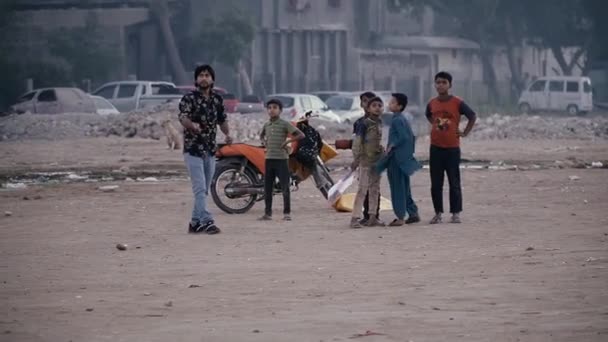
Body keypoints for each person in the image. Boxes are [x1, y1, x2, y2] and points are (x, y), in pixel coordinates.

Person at [179, 64, 233, 234]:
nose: (204, 78)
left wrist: (228, 134)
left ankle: (195, 223)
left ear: (212, 79)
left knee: (205, 188)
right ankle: (207, 221)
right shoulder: (189, 98)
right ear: (196, 79)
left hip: (210, 149)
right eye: (201, 75)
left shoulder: (217, 100)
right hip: (193, 149)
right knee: (200, 188)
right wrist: (192, 126)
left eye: (207, 75)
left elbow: (222, 120)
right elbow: (183, 117)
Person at [425, 71, 477, 224]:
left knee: (454, 182)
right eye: (438, 82)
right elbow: (428, 115)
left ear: (450, 85)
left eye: (444, 82)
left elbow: (472, 116)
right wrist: (436, 125)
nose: (440, 85)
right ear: (435, 85)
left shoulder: (457, 102)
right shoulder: (432, 103)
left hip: (452, 148)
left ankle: (455, 213)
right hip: (435, 147)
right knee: (436, 183)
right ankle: (438, 213)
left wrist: (464, 132)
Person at [258, 99, 305, 221]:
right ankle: (268, 213)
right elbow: (261, 135)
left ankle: (287, 213)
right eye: (269, 108)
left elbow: (301, 135)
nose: (271, 110)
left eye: (274, 107)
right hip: (269, 159)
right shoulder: (267, 125)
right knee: (268, 187)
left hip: (281, 159)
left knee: (285, 187)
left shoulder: (284, 124)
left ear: (280, 110)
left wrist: (288, 141)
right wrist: (264, 142)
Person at [385, 93, 421, 226]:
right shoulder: (402, 119)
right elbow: (411, 136)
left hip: (396, 159)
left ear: (399, 106)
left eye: (393, 102)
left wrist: (391, 146)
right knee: (405, 187)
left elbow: (403, 137)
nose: (390, 104)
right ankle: (413, 213)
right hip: (403, 158)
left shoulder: (397, 120)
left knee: (397, 187)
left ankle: (400, 216)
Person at [350, 96, 385, 228]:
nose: (377, 108)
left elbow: (378, 141)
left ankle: (372, 217)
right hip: (365, 160)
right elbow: (357, 142)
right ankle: (354, 218)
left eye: (379, 105)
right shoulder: (363, 124)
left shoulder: (380, 122)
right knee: (362, 190)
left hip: (377, 160)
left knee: (375, 189)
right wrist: (356, 159)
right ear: (369, 109)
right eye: (374, 105)